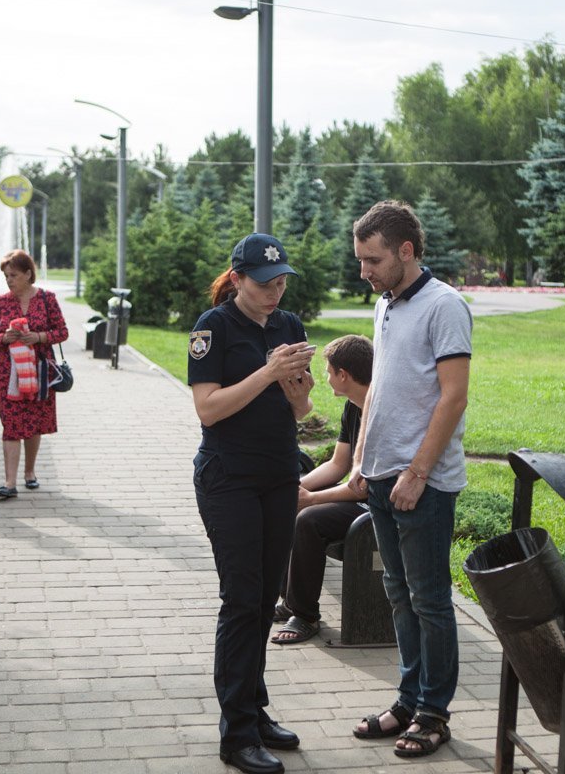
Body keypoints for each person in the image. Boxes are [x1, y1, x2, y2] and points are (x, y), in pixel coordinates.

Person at [348, 200, 472, 759]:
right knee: (397, 595)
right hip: (379, 476)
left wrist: (418, 471)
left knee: (429, 599)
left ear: (405, 251)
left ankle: (433, 713)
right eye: (360, 260)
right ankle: (406, 698)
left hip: (422, 482)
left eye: (372, 260)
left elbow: (453, 396)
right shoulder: (385, 303)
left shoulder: (445, 306)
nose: (364, 271)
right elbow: (378, 387)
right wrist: (361, 459)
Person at [188, 233, 316, 774]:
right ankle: (236, 733)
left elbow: (302, 408)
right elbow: (209, 410)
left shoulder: (289, 325)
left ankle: (255, 710)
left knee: (266, 599)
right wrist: (266, 371)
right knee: (242, 601)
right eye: (265, 283)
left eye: (282, 280)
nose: (275, 291)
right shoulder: (212, 327)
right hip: (229, 478)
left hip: (278, 474)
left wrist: (295, 389)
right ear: (237, 278)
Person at [270, 334, 373, 646]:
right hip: (359, 496)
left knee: (309, 519)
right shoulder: (353, 408)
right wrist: (297, 487)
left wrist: (310, 499)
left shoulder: (380, 408)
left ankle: (305, 615)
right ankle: (290, 600)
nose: (325, 378)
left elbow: (361, 489)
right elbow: (339, 464)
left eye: (328, 371)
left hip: (377, 507)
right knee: (291, 502)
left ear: (343, 375)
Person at [0, 250, 68, 500]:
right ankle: (9, 483)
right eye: (6, 276)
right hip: (7, 374)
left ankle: (29, 471)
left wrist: (39, 337)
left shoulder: (47, 299)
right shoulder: (2, 301)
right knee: (11, 425)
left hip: (39, 372)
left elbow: (62, 332)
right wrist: (4, 338)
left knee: (33, 425)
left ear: (28, 274)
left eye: (14, 275)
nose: (9, 280)